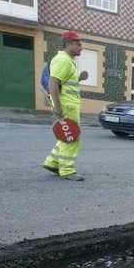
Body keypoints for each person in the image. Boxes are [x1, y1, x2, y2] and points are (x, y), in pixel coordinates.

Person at [43, 31, 88, 181]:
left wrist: (79, 77)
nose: (81, 47)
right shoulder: (63, 60)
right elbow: (53, 83)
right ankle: (67, 170)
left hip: (69, 105)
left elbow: (65, 82)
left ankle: (53, 162)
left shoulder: (68, 60)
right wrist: (57, 106)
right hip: (67, 105)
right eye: (78, 44)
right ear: (67, 44)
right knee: (73, 137)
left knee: (66, 134)